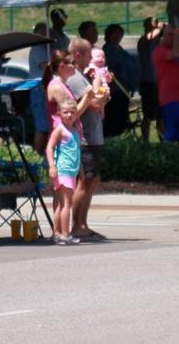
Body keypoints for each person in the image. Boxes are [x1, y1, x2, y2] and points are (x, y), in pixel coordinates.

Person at [65, 37, 109, 241]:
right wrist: (101, 88)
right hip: (86, 138)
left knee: (93, 180)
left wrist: (100, 94)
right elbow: (95, 103)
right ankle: (76, 225)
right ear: (78, 55)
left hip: (94, 136)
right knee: (85, 180)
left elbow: (98, 98)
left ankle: (83, 223)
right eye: (88, 55)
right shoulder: (74, 78)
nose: (92, 59)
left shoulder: (83, 76)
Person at [46, 100, 82, 246]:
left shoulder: (75, 130)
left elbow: (77, 150)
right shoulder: (60, 129)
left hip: (72, 171)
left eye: (72, 112)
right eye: (65, 112)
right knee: (67, 204)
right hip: (63, 170)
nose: (69, 115)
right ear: (59, 113)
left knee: (62, 205)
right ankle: (65, 235)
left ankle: (57, 233)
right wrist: (52, 166)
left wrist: (82, 169)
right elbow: (49, 148)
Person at [102, 24, 139, 138]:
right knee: (114, 120)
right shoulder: (108, 50)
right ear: (110, 34)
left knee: (121, 118)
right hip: (114, 90)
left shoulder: (119, 49)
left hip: (123, 89)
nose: (119, 36)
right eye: (116, 33)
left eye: (120, 34)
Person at [136, 17, 163, 141]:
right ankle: (145, 140)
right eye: (153, 24)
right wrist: (160, 27)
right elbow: (150, 37)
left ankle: (162, 138)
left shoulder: (159, 41)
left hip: (159, 81)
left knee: (161, 114)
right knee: (148, 114)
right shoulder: (144, 40)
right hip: (148, 81)